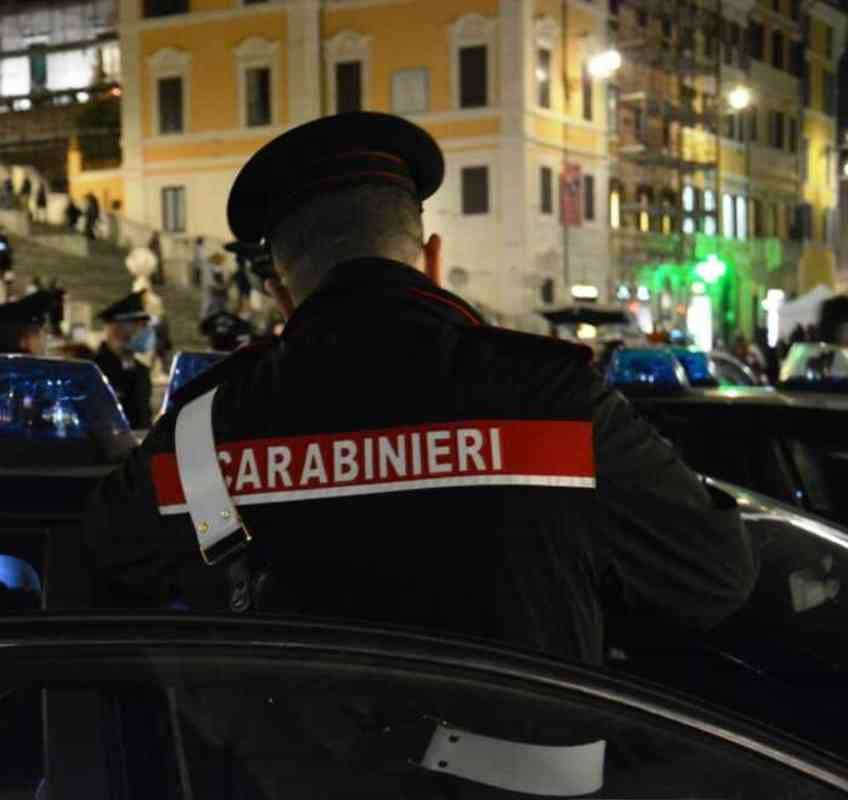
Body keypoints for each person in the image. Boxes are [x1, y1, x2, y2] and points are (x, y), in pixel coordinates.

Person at [87, 112, 755, 667]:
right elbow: (715, 579)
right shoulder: (557, 400)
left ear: (280, 295)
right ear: (432, 259)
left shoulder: (205, 434)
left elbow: (102, 568)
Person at [93, 292, 154, 429]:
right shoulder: (93, 369)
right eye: (138, 324)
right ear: (116, 328)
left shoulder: (141, 370)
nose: (145, 331)